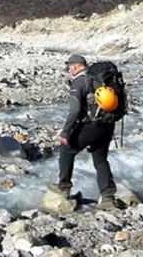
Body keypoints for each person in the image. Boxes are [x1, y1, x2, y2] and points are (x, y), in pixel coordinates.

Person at [50, 54, 120, 210]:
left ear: (75, 66)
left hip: (91, 125)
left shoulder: (80, 80)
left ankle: (64, 187)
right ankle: (108, 197)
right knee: (100, 159)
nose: (69, 71)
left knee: (67, 150)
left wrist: (65, 132)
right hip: (108, 124)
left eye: (69, 68)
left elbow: (74, 110)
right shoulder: (99, 79)